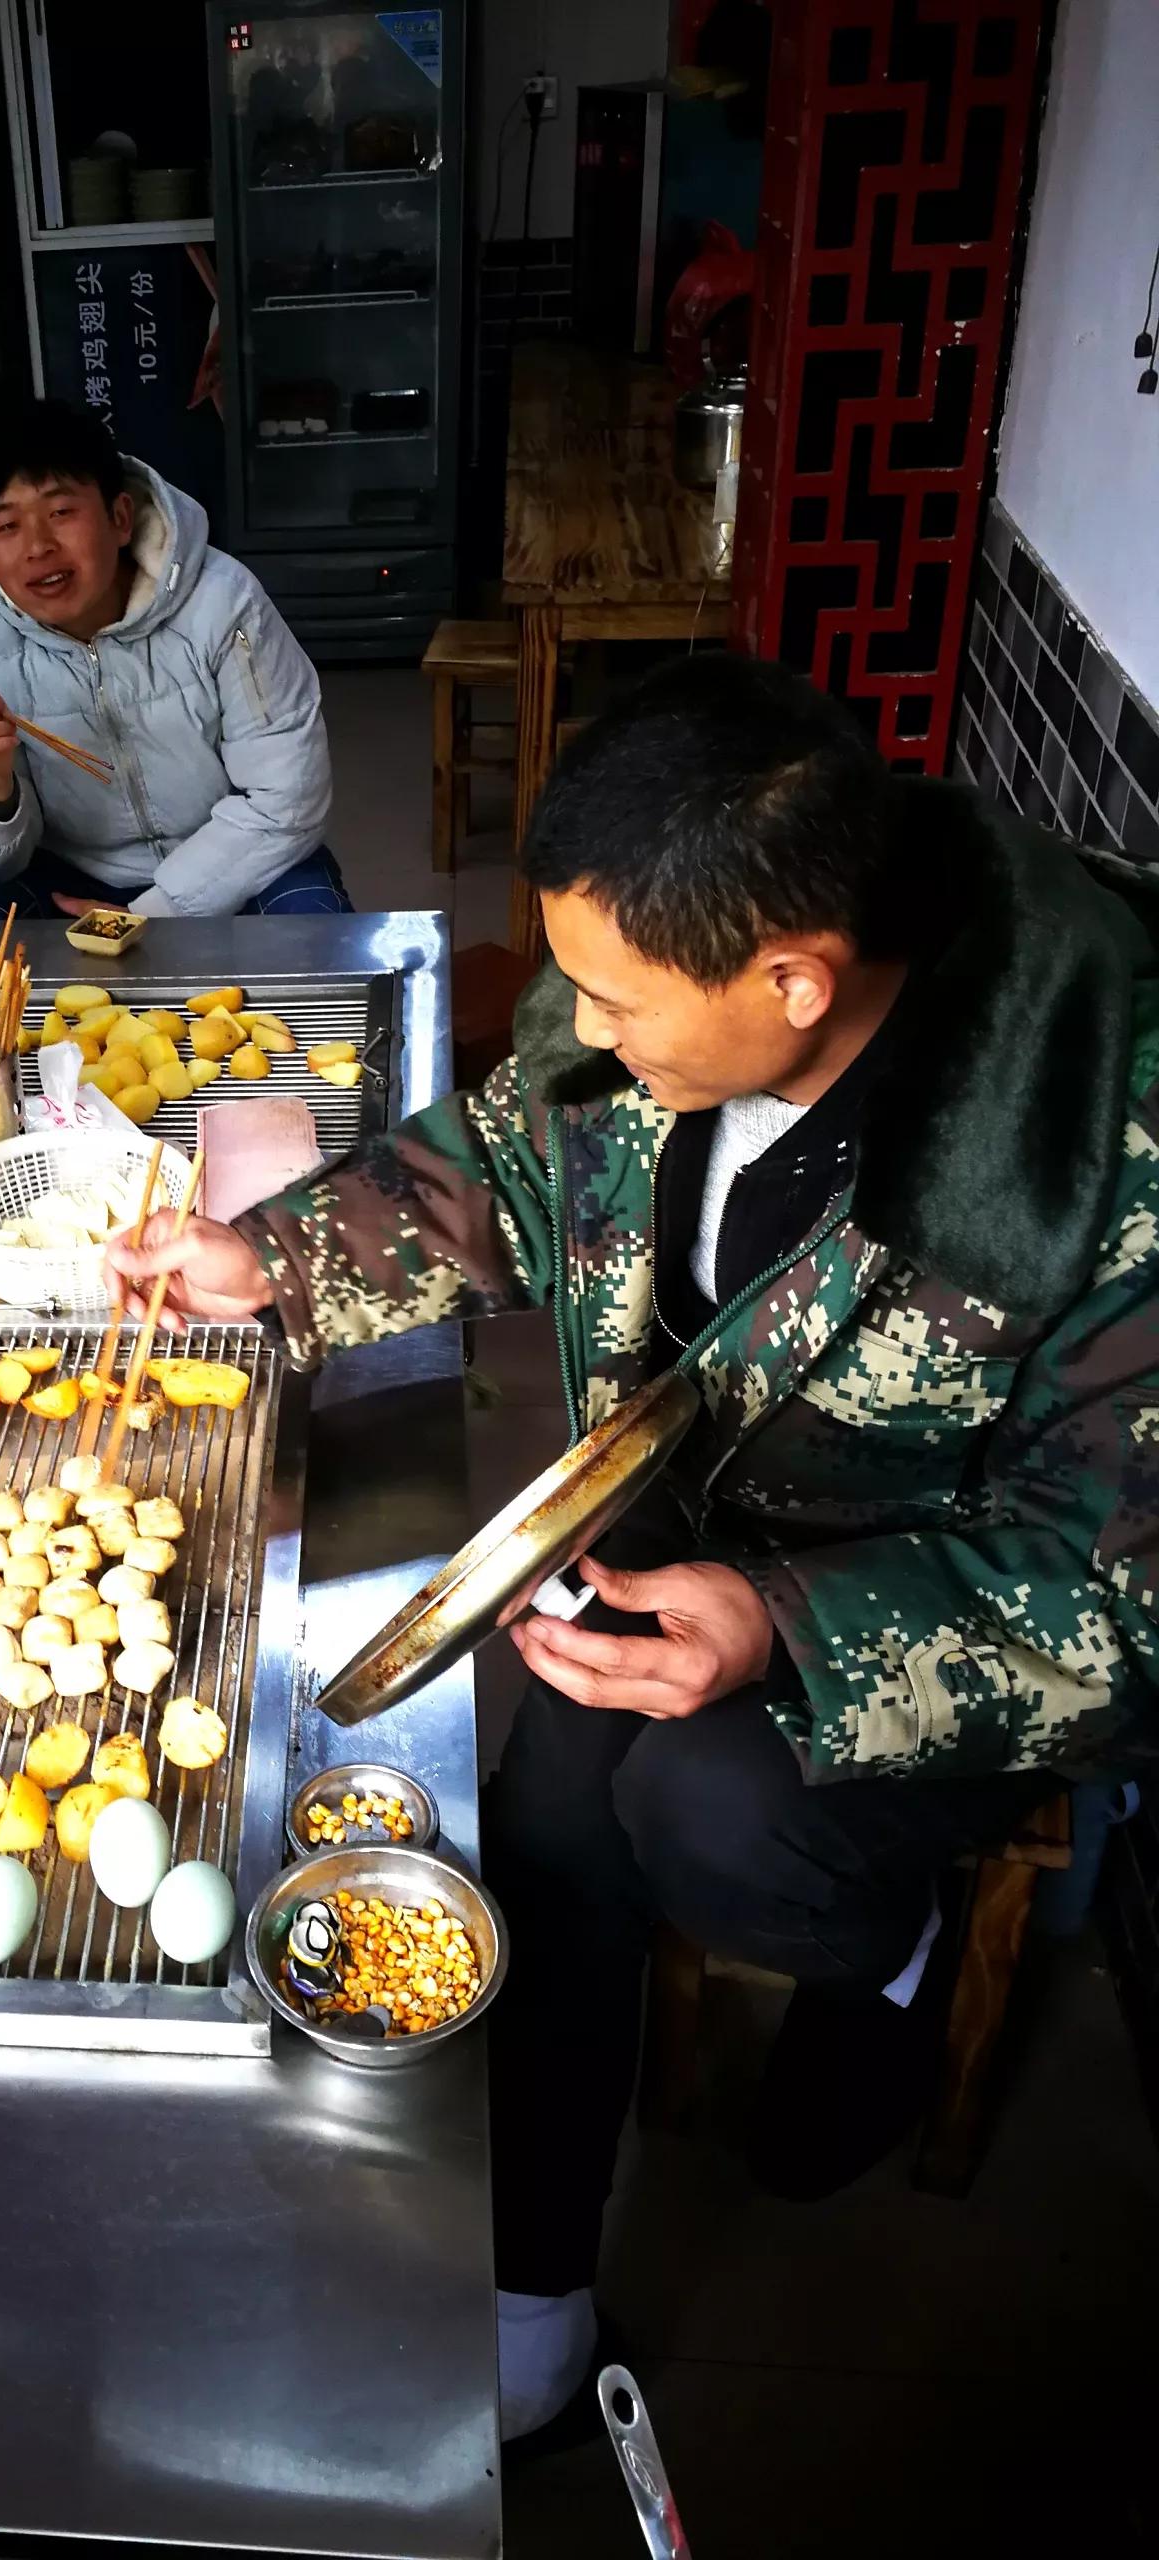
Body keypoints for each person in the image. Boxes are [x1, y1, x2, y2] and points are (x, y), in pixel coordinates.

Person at [107, 652, 1159, 2444]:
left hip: (924, 1602)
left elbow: (1124, 1575)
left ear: (795, 981)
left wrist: (777, 1628)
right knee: (549, 1807)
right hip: (677, 1497)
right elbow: (517, 1158)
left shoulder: (1092, 1139)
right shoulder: (673, 955)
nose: (579, 1030)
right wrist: (270, 1264)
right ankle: (533, 2281)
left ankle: (884, 1949)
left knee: (711, 1808)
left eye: (616, 1002)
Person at [0, 400, 345, 920]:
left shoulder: (223, 604)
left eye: (60, 513)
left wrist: (155, 915)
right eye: (7, 526)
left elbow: (287, 798)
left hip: (233, 858)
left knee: (315, 936)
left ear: (120, 518)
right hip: (67, 873)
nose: (37, 547)